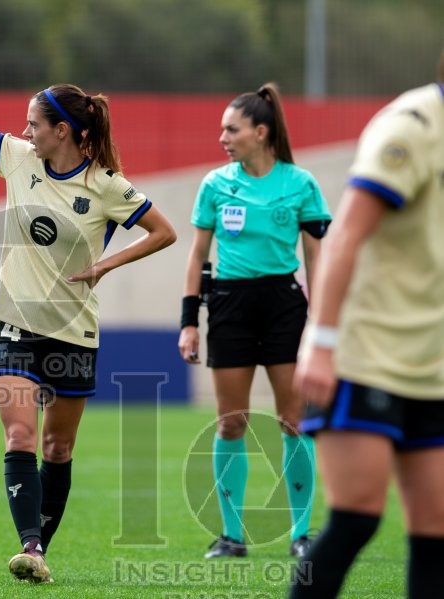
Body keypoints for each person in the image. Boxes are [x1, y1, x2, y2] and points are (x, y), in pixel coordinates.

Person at [0, 25, 176, 584]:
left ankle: (39, 549)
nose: (23, 130)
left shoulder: (107, 186)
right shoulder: (19, 159)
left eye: (33, 123)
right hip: (13, 319)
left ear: (63, 132)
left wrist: (103, 265)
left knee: (59, 445)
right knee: (21, 435)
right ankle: (31, 546)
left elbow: (163, 232)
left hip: (73, 330)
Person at [289, 50, 444, 599]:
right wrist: (322, 343)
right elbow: (346, 235)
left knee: (436, 537)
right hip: (368, 354)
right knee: (357, 519)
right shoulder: (416, 125)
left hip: (432, 364)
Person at [177, 83, 331, 559]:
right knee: (230, 424)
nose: (222, 137)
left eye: (232, 128)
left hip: (285, 307)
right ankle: (231, 537)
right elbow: (198, 253)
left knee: (294, 422)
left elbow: (316, 261)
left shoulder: (300, 183)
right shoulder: (215, 185)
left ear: (260, 132)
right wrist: (189, 321)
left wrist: (321, 324)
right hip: (229, 307)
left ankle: (301, 536)